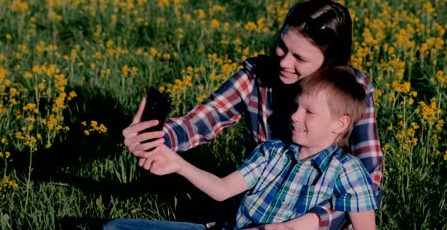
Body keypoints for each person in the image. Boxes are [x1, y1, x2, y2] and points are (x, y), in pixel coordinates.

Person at [116, 0, 383, 229]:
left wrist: (299, 225)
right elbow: (201, 121)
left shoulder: (352, 93)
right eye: (282, 46)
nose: (284, 62)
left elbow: (367, 186)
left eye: (299, 59)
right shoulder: (258, 76)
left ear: (330, 65)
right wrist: (154, 139)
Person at [104, 67, 378, 230]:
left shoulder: (348, 171)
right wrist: (177, 162)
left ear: (339, 124)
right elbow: (222, 190)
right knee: (115, 227)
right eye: (296, 107)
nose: (294, 116)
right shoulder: (271, 152)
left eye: (309, 112)